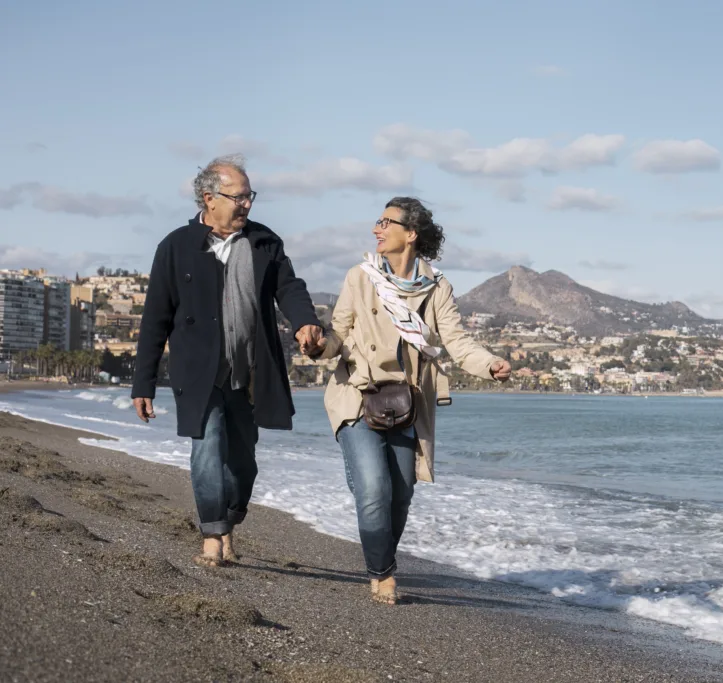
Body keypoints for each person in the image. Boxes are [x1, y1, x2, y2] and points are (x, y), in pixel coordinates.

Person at [304, 197, 511, 604]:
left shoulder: (437, 288)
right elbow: (338, 336)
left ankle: (382, 553)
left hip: (406, 403)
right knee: (374, 488)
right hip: (357, 396)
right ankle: (382, 574)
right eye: (377, 222)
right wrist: (317, 347)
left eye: (386, 222)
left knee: (401, 493)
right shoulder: (360, 278)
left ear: (410, 234)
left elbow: (457, 342)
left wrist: (491, 365)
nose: (376, 229)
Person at [131, 155, 322, 567]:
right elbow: (155, 319)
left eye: (250, 196)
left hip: (250, 372)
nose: (247, 205)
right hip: (197, 373)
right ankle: (212, 535)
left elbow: (289, 288)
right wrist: (142, 384)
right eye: (239, 197)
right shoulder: (175, 247)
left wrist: (306, 322)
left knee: (243, 463)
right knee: (207, 449)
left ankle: (229, 520)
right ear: (209, 198)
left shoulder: (264, 242)